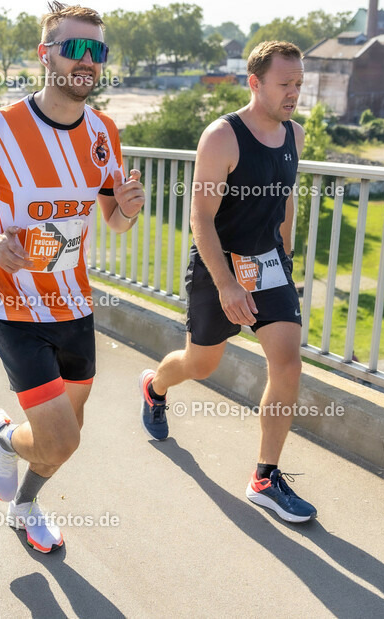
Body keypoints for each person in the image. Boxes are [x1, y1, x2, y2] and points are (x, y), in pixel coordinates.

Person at [0, 2, 144, 553]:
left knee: (62, 443)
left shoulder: (103, 132)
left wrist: (128, 207)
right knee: (59, 436)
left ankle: (23, 503)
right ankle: (3, 436)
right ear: (44, 54)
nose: (86, 61)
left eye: (96, 51)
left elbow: (115, 222)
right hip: (14, 302)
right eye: (73, 48)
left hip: (74, 302)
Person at [138, 41, 315, 523]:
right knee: (201, 363)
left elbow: (285, 200)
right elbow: (200, 216)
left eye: (299, 83)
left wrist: (287, 255)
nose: (294, 93)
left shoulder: (295, 136)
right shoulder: (222, 137)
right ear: (254, 83)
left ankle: (266, 477)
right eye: (285, 84)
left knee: (288, 364)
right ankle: (154, 387)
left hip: (270, 264)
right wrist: (226, 284)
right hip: (221, 263)